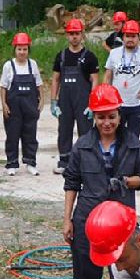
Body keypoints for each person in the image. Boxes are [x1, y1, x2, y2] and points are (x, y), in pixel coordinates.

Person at [62, 84, 140, 279]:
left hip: (122, 221)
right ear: (93, 116)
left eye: (111, 116)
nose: (107, 122)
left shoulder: (133, 145)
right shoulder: (82, 146)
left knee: (126, 271)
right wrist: (67, 219)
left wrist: (125, 181)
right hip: (88, 218)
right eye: (101, 116)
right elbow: (71, 182)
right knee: (86, 272)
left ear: (119, 115)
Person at [50, 18, 100, 175]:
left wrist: (93, 103)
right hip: (65, 100)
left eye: (77, 33)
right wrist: (53, 102)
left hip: (83, 101)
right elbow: (56, 79)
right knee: (64, 130)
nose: (74, 37)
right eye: (71, 34)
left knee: (85, 131)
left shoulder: (89, 56)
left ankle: (85, 162)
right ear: (67, 36)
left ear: (82, 35)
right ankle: (64, 161)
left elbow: (95, 80)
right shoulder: (61, 56)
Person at [0, 32, 45, 176]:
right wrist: (4, 105)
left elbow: (39, 85)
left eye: (25, 49)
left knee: (30, 135)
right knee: (12, 135)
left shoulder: (33, 65)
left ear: (28, 50)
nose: (22, 52)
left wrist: (42, 100)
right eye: (19, 49)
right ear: (15, 49)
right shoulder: (8, 66)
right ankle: (11, 163)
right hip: (13, 107)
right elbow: (3, 87)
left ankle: (30, 162)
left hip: (30, 106)